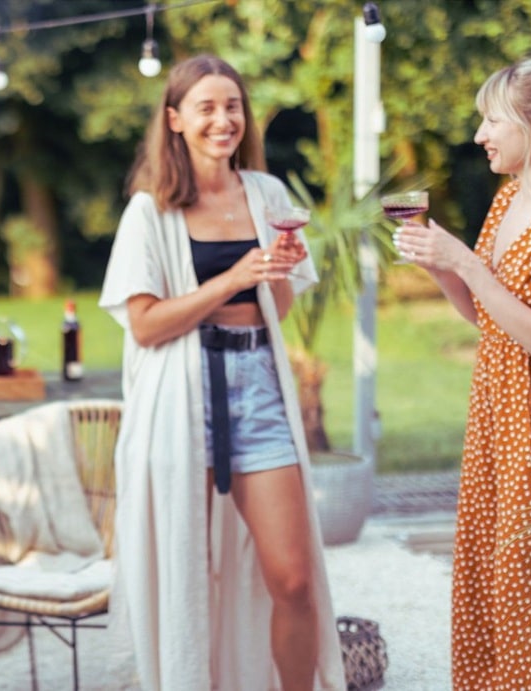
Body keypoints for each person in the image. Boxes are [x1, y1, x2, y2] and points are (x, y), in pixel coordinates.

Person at [98, 55, 345, 690]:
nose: (222, 120)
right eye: (206, 107)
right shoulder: (150, 212)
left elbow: (278, 310)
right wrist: (234, 278)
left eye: (232, 106)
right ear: (175, 119)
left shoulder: (267, 195)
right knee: (187, 573)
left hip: (259, 384)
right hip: (178, 397)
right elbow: (146, 324)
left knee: (292, 577)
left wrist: (280, 272)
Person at [394, 57, 531, 689]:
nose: (481, 135)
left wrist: (466, 260)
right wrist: (440, 263)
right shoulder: (507, 197)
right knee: (486, 575)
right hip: (495, 409)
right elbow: (484, 314)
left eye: (493, 121)